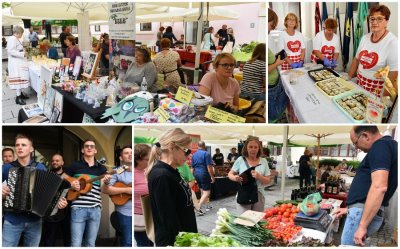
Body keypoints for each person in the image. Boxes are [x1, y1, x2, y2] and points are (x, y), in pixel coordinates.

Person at [333, 126, 397, 246]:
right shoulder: (390, 145)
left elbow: (379, 187)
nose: (356, 147)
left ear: (365, 136)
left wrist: (362, 225)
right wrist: (349, 209)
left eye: (355, 143)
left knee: (347, 246)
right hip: (362, 210)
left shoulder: (380, 146)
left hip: (360, 213)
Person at [2, 134, 68, 247]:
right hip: (12, 220)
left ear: (31, 148)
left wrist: (59, 203)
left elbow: (49, 193)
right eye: (17, 145)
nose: (19, 147)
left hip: (35, 221)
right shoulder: (7, 167)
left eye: (23, 145)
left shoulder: (40, 167)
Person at [146, 128, 197, 246]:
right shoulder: (162, 175)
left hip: (184, 236)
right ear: (172, 146)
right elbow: (168, 220)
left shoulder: (171, 171)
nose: (189, 156)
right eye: (187, 151)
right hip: (175, 241)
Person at [64, 139, 108, 247]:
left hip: (95, 209)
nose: (89, 148)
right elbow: (63, 177)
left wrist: (107, 182)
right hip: (78, 207)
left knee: (91, 244)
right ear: (82, 150)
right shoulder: (75, 165)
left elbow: (103, 189)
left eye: (92, 146)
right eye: (87, 146)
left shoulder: (102, 169)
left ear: (95, 150)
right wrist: (72, 183)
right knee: (76, 243)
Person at [347, 5, 398, 97]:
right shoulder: (365, 38)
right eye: (372, 19)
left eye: (379, 19)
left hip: (377, 92)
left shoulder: (393, 42)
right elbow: (356, 59)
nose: (374, 22)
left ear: (386, 21)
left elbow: (393, 73)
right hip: (360, 85)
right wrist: (349, 77)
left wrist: (383, 98)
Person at [228, 136, 271, 213]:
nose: (253, 149)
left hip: (259, 195)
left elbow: (268, 181)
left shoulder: (264, 161)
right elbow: (230, 174)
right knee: (244, 221)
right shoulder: (240, 160)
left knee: (257, 221)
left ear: (259, 148)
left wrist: (259, 176)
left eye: (255, 147)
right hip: (244, 194)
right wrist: (235, 178)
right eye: (250, 147)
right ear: (246, 148)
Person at [102, 146, 132, 247]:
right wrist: (126, 190)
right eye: (126, 153)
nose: (130, 154)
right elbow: (105, 189)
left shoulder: (141, 169)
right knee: (128, 241)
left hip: (141, 211)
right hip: (125, 212)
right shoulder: (119, 170)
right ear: (121, 158)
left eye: (131, 152)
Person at [41, 154, 71, 247]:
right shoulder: (47, 176)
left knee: (68, 237)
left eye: (57, 161)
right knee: (50, 238)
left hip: (66, 211)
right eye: (53, 161)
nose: (55, 162)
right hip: (50, 212)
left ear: (62, 163)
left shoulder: (70, 177)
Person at [268, 8, 288, 123]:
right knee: (274, 112)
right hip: (271, 86)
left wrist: (275, 58)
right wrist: (277, 63)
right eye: (271, 25)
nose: (272, 28)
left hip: (274, 83)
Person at [133, 144, 153, 247]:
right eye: (147, 159)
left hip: (151, 215)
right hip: (138, 216)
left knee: (150, 243)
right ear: (138, 159)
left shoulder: (149, 171)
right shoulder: (132, 173)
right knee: (143, 244)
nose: (150, 161)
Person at [7, 26, 30, 105]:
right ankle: (18, 97)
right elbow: (11, 51)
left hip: (18, 62)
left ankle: (20, 94)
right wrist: (22, 53)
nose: (22, 35)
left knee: (20, 79)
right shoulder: (12, 39)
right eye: (21, 33)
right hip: (15, 63)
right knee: (18, 79)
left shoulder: (15, 39)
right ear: (18, 32)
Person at [191, 141, 215, 215]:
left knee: (202, 191)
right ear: (204, 146)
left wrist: (192, 177)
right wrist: (212, 176)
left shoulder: (194, 155)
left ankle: (206, 206)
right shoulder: (206, 154)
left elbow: (192, 168)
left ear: (198, 146)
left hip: (196, 174)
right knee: (207, 192)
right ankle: (198, 206)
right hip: (204, 174)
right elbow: (209, 167)